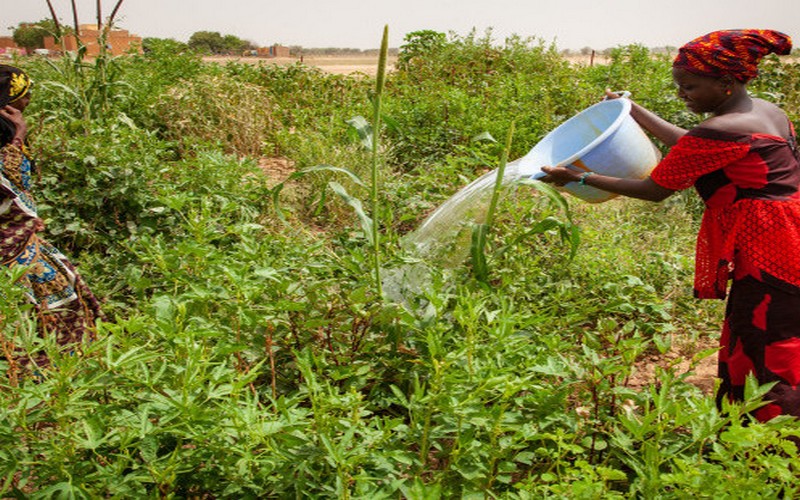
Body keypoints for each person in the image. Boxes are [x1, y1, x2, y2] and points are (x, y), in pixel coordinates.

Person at [541, 30, 799, 422]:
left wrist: (578, 177)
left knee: (767, 339)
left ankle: (771, 441)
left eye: (690, 87)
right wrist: (632, 111)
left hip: (769, 246)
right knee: (777, 328)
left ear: (726, 83)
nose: (683, 95)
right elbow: (694, 146)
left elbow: (654, 189)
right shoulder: (764, 111)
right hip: (789, 230)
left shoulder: (721, 129)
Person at [0, 64, 102, 373]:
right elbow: (10, 185)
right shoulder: (9, 138)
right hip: (10, 254)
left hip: (21, 245)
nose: (29, 99)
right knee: (31, 331)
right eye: (24, 94)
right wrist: (19, 135)